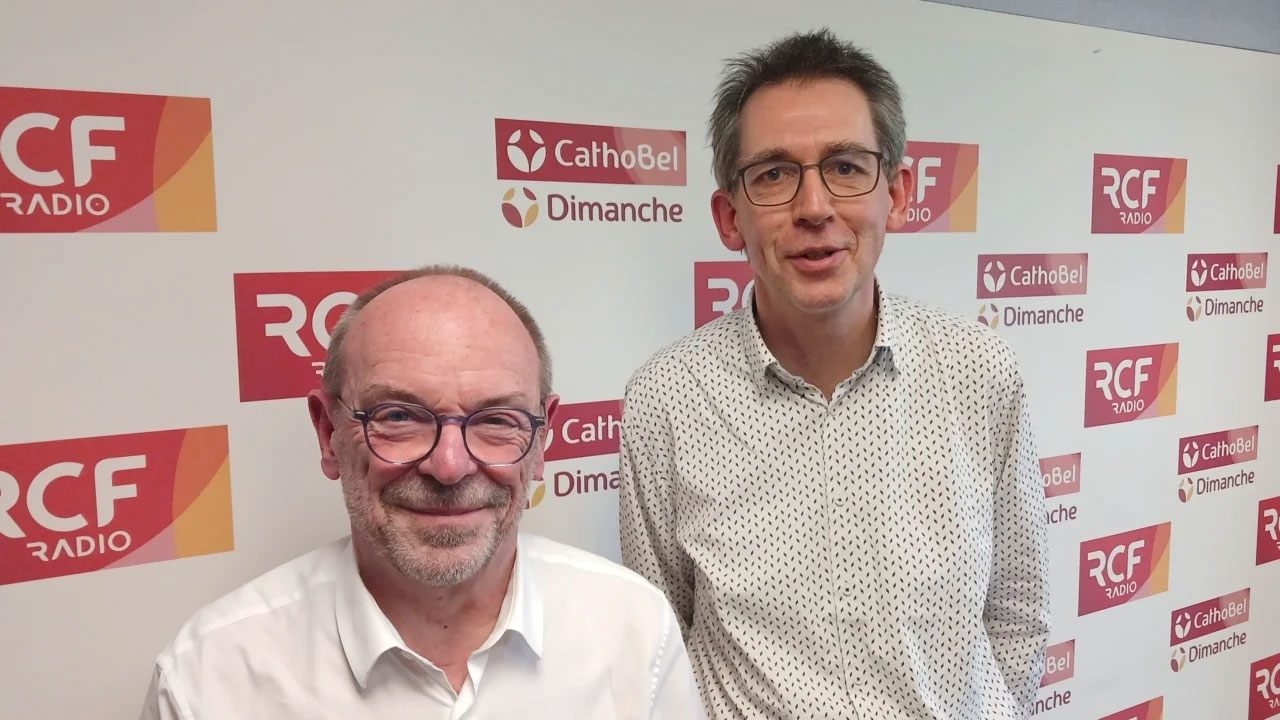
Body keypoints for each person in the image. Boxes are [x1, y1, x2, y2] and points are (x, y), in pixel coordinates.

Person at [618, 29, 1051, 719]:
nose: (815, 208)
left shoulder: (979, 371)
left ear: (898, 195)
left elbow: (1018, 612)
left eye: (846, 167)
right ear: (729, 218)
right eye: (773, 174)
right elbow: (658, 646)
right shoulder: (665, 400)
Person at [140, 265, 704, 719]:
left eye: (497, 420)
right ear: (328, 433)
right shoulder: (207, 681)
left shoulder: (634, 628)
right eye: (398, 416)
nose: (450, 466)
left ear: (541, 441)